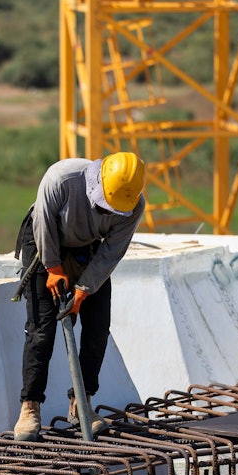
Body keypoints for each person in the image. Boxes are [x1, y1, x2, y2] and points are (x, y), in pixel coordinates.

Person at [12, 152, 146, 442]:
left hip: (89, 250)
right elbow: (43, 222)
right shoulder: (62, 179)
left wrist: (83, 291)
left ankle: (80, 403)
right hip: (45, 243)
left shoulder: (134, 205)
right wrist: (53, 268)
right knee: (42, 328)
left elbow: (111, 252)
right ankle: (30, 407)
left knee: (98, 327)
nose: (109, 214)